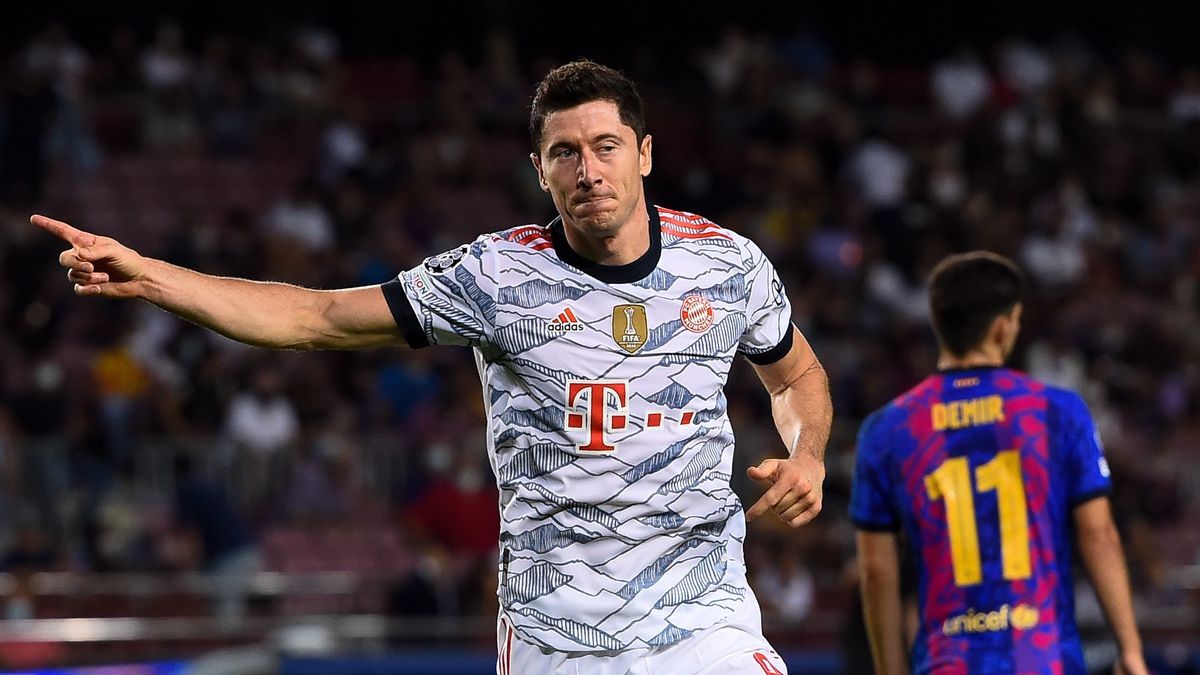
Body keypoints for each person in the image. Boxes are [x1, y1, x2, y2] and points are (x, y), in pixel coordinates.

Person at [35, 59, 831, 674]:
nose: (588, 170)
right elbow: (314, 318)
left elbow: (796, 376)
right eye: (565, 153)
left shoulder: (727, 266)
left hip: (703, 613)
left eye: (606, 146)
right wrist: (155, 278)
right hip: (560, 629)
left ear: (646, 153)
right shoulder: (493, 277)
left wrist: (807, 454)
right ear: (539, 167)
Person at [849, 251, 1148, 675]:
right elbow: (1098, 534)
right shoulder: (1057, 411)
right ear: (1003, 325)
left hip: (947, 662)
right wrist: (1131, 652)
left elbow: (877, 569)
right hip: (1043, 659)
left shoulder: (887, 429)